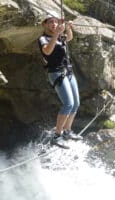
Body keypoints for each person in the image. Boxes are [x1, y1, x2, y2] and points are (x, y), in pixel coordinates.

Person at [38, 10, 82, 149]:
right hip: (57, 73)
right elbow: (47, 51)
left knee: (75, 104)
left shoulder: (60, 36)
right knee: (68, 104)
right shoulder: (43, 39)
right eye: (50, 22)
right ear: (45, 25)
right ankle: (57, 136)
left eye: (55, 21)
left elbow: (69, 38)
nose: (53, 24)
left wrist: (68, 27)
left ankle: (67, 131)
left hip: (68, 72)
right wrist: (56, 33)